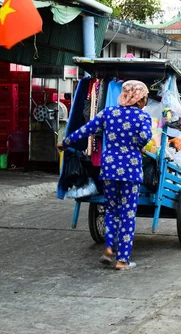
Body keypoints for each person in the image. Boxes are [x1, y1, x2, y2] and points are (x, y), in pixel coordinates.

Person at [58, 80, 152, 270]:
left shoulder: (108, 113)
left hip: (109, 169)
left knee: (111, 210)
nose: (145, 102)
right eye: (145, 98)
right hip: (130, 171)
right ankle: (122, 260)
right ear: (138, 98)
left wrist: (65, 142)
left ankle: (109, 248)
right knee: (127, 213)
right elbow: (145, 137)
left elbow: (86, 130)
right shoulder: (142, 117)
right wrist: (136, 145)